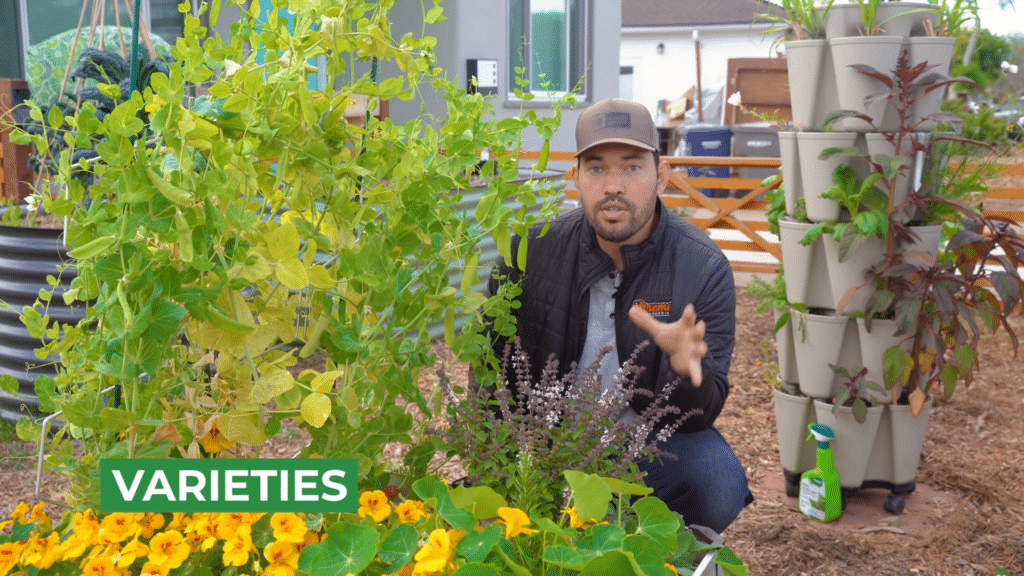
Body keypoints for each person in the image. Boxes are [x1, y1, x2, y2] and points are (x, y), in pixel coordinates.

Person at [485, 98, 752, 533]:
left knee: (716, 482)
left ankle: (643, 536)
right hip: (548, 445)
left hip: (645, 452)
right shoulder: (528, 254)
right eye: (596, 168)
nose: (614, 185)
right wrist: (507, 462)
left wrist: (687, 374)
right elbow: (490, 374)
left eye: (631, 167)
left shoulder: (702, 267)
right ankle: (578, 521)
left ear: (660, 176)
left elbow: (701, 415)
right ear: (576, 179)